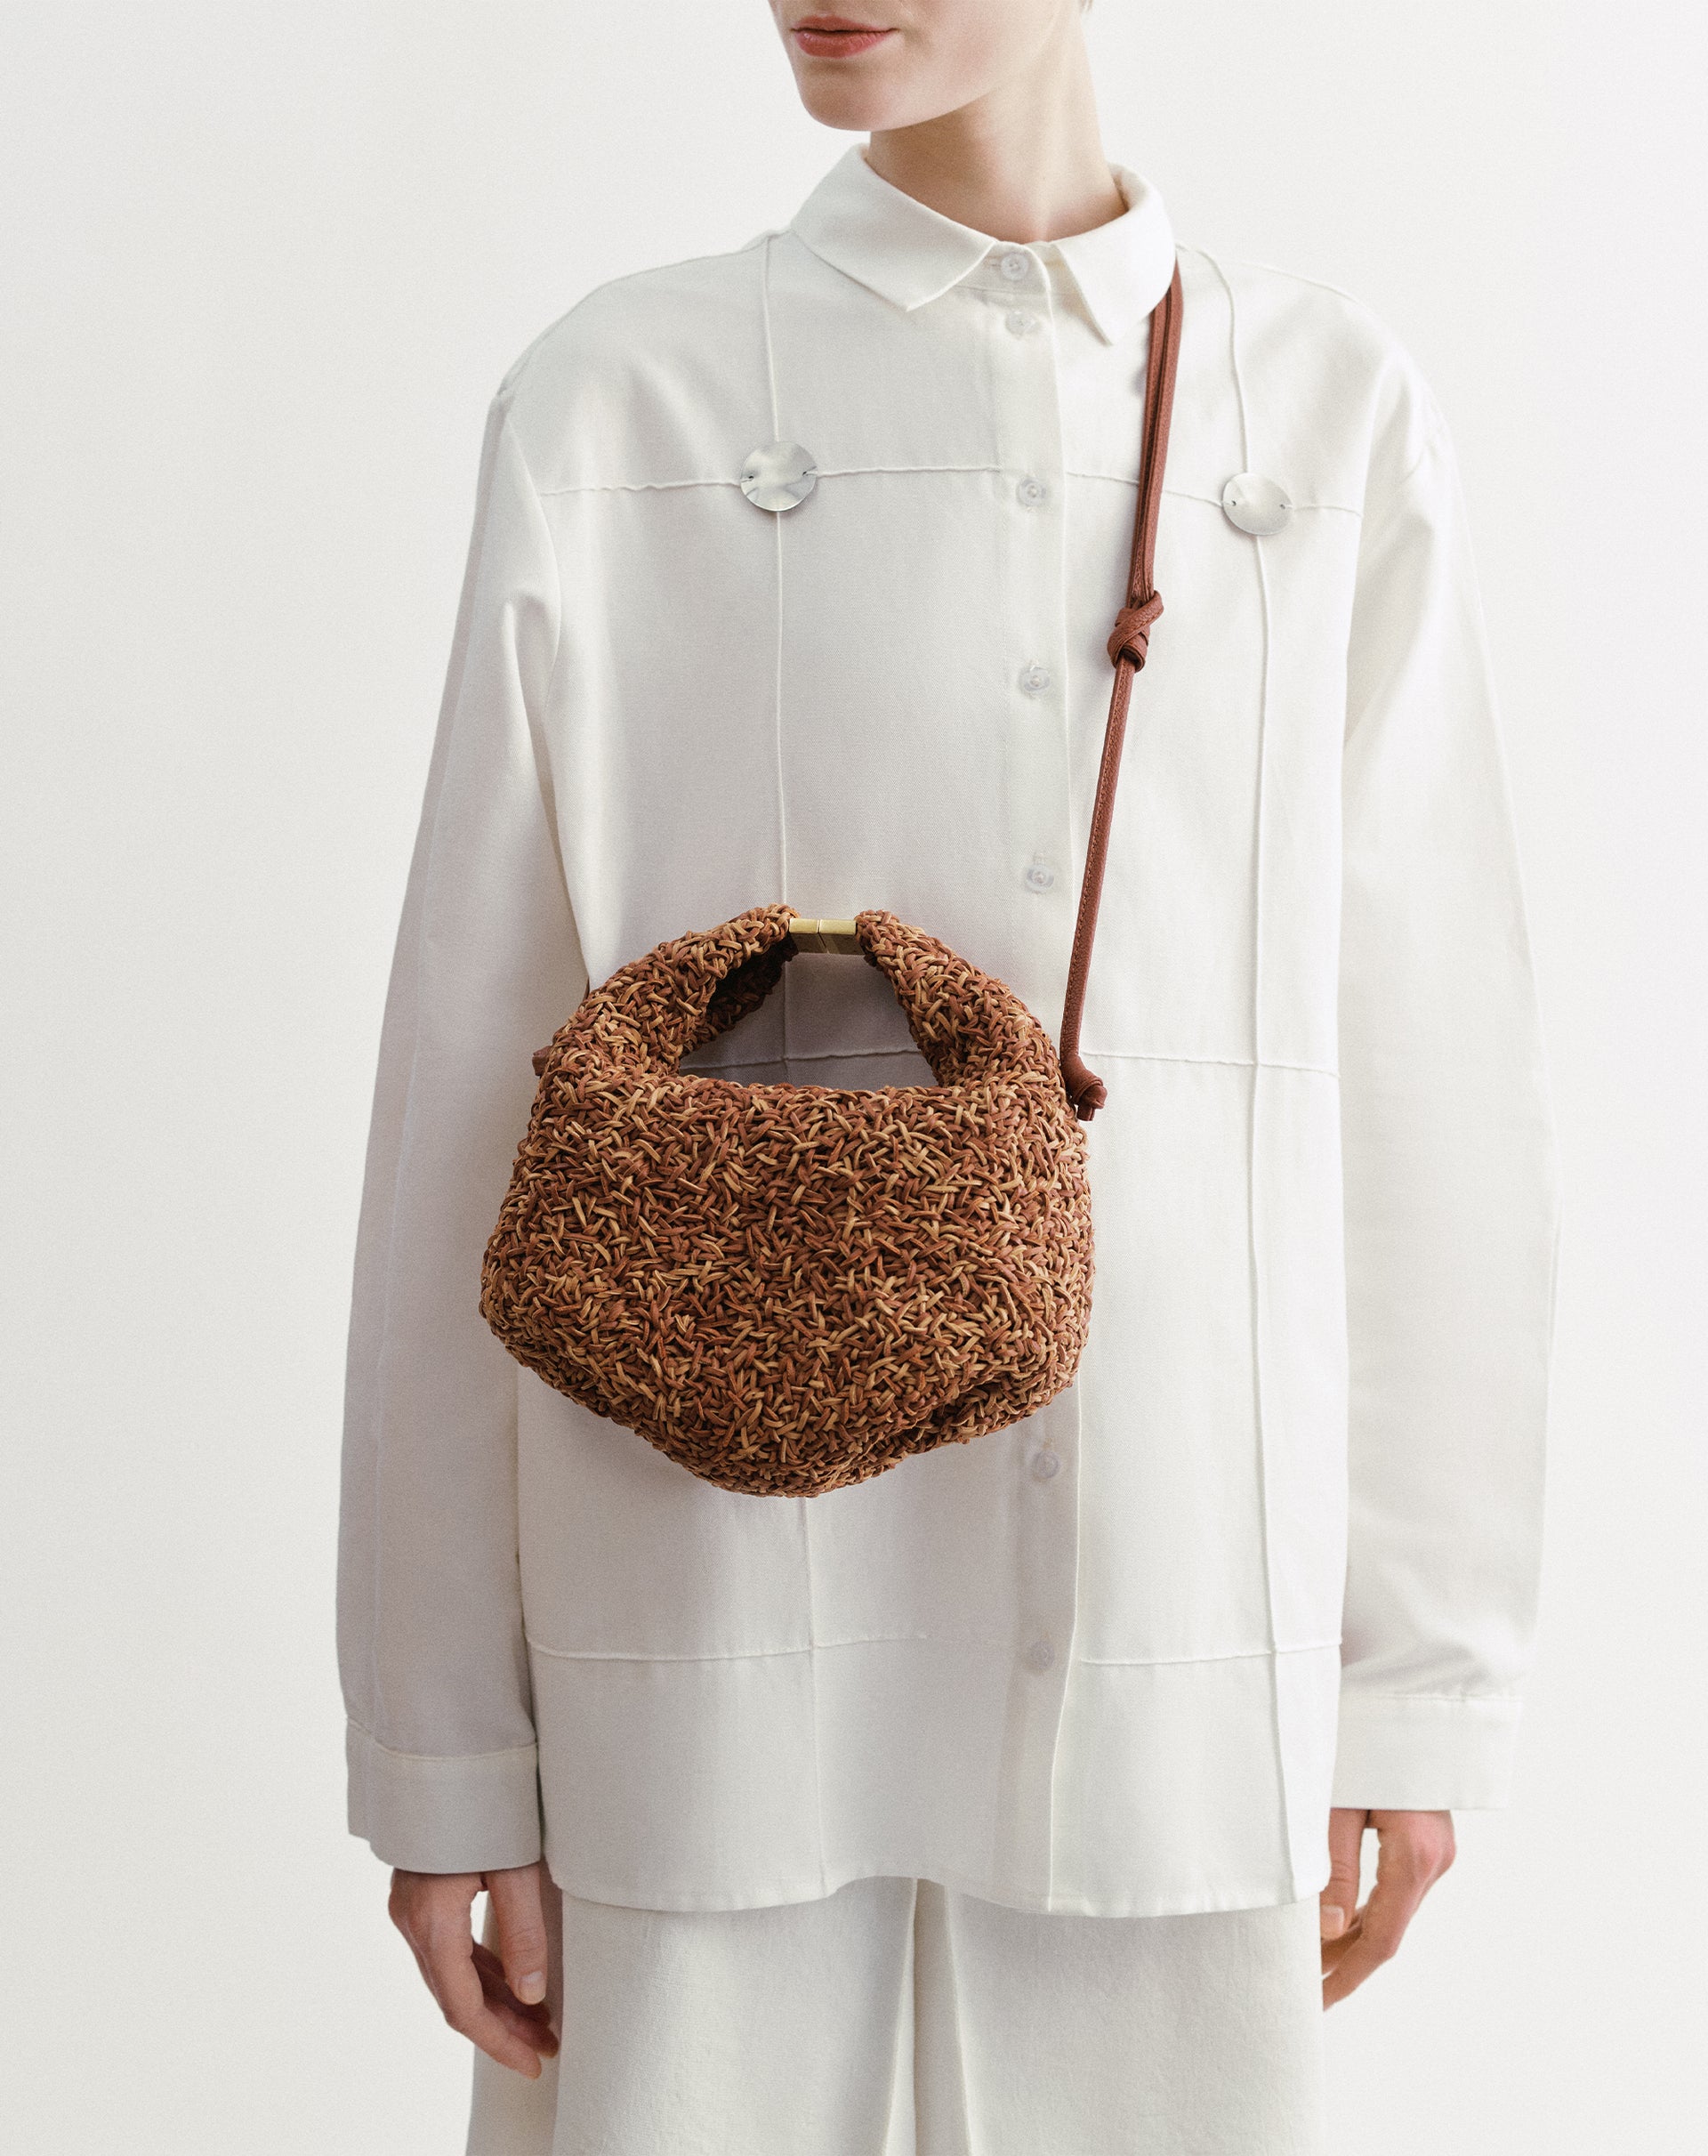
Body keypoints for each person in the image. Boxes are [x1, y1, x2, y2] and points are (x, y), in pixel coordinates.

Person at [336, 4, 1561, 2149]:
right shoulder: (622, 397)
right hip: (692, 1577)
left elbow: (1427, 1074)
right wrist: (441, 1742)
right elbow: (469, 1083)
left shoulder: (1323, 409)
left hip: (1181, 1578)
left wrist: (1419, 1677)